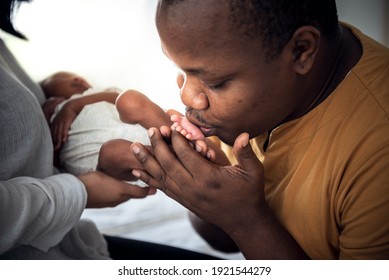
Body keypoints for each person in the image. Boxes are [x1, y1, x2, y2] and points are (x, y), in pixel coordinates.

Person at [98, 0, 389, 259]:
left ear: (301, 51)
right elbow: (225, 241)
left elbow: (241, 228)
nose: (187, 97)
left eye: (215, 83)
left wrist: (246, 220)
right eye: (181, 71)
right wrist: (208, 186)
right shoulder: (261, 73)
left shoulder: (377, 151)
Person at [0, 0, 218, 260]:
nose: (44, 89)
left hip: (128, 127)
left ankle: (174, 133)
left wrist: (72, 106)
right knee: (117, 153)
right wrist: (77, 190)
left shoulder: (82, 98)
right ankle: (177, 154)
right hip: (95, 156)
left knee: (130, 99)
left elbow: (110, 97)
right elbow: (41, 161)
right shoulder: (50, 107)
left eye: (50, 83)